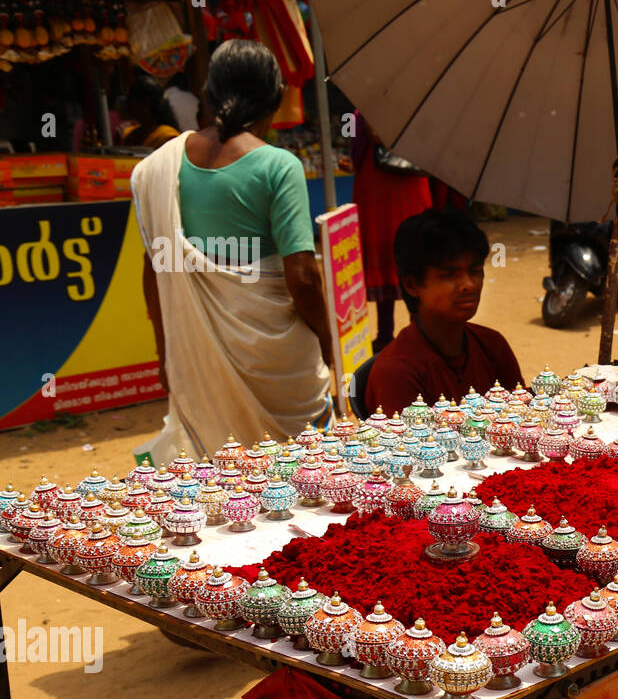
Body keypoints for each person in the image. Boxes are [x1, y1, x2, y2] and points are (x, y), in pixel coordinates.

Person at [130, 39, 332, 463]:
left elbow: (155, 270)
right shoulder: (279, 165)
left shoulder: (158, 166)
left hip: (195, 359)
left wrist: (165, 351)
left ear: (208, 94)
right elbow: (303, 275)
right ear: (276, 99)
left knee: (223, 485)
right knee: (299, 479)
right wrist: (333, 341)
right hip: (279, 365)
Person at [365, 207, 524, 410]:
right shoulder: (396, 372)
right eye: (449, 275)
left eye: (475, 271)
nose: (469, 284)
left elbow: (524, 417)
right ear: (412, 285)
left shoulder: (492, 345)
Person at [349, 113, 432, 350]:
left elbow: (360, 148)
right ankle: (418, 329)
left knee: (386, 259)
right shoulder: (420, 104)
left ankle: (385, 334)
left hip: (377, 188)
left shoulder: (364, 110)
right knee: (413, 258)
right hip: (411, 186)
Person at [119, 75, 181, 148]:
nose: (128, 105)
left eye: (131, 100)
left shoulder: (167, 137)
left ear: (146, 103)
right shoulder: (130, 134)